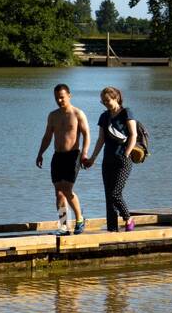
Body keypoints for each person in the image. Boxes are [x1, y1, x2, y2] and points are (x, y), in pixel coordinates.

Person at [35, 83, 91, 235]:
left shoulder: (78, 114)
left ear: (69, 96)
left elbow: (86, 135)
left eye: (62, 97)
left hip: (73, 156)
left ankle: (79, 219)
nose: (59, 100)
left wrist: (84, 153)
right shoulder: (53, 115)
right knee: (58, 192)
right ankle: (64, 226)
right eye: (56, 98)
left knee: (66, 189)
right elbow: (47, 137)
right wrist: (40, 153)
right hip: (57, 156)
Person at [84, 86, 138, 231]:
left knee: (116, 193)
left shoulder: (127, 113)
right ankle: (112, 229)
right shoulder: (104, 116)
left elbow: (133, 135)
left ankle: (128, 218)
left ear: (116, 98)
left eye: (107, 100)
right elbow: (101, 139)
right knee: (109, 197)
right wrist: (93, 157)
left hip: (123, 160)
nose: (105, 103)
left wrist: (126, 153)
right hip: (107, 160)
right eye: (103, 101)